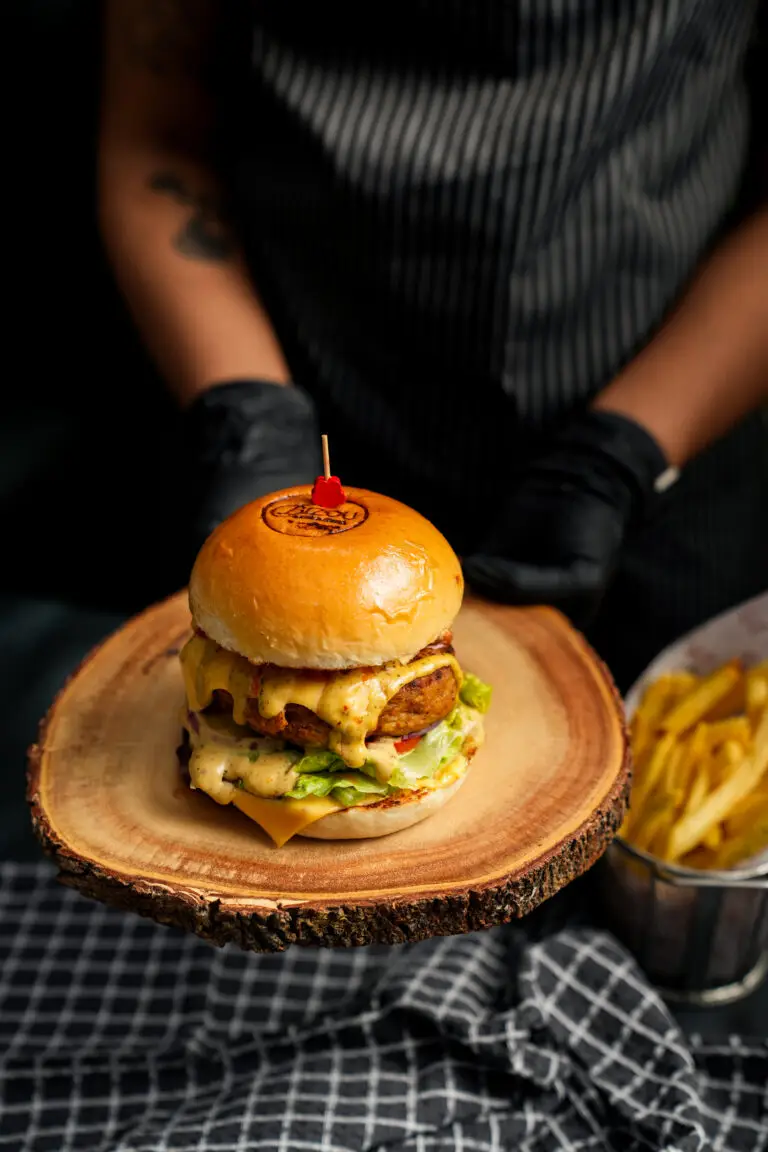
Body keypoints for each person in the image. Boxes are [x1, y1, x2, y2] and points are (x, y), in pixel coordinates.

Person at [95, 1, 767, 697]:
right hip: (304, 383)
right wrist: (247, 412)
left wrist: (623, 455)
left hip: (681, 419)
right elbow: (157, 135)